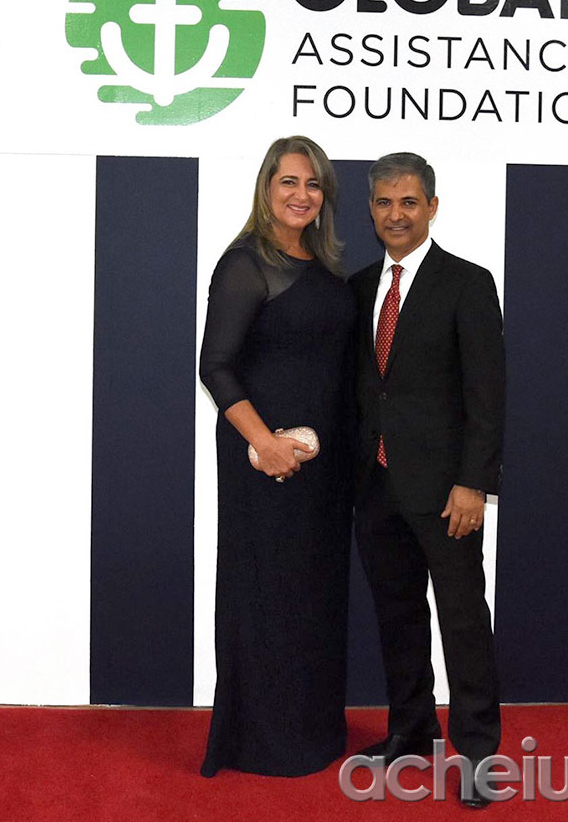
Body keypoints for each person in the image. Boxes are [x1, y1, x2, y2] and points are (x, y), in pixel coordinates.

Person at [349, 152, 505, 808]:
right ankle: (410, 731)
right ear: (371, 209)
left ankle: (478, 756)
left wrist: (474, 483)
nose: (396, 214)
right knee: (398, 617)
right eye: (384, 202)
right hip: (375, 487)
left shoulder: (467, 283)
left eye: (409, 202)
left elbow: (487, 395)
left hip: (447, 494)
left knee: (463, 621)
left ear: (432, 207)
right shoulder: (359, 287)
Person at [197, 135, 355, 778]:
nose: (301, 194)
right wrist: (264, 443)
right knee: (269, 595)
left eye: (313, 184)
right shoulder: (245, 263)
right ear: (266, 188)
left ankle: (313, 729)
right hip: (264, 465)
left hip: (325, 471)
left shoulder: (326, 267)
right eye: (289, 181)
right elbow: (215, 366)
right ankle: (264, 741)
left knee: (315, 597)